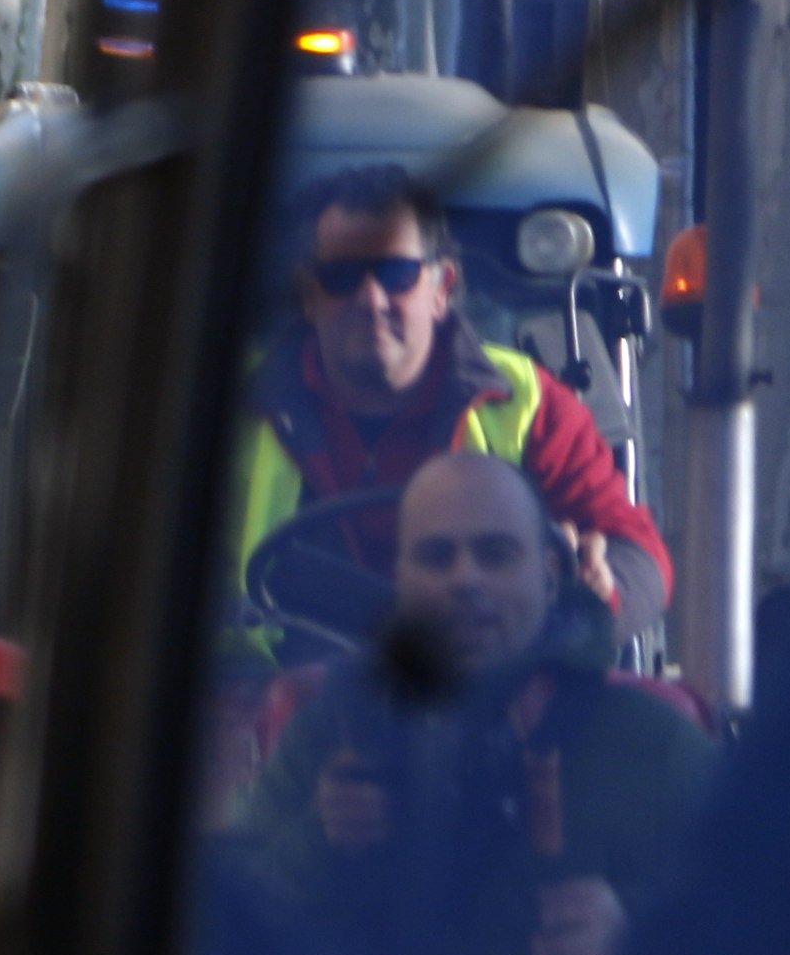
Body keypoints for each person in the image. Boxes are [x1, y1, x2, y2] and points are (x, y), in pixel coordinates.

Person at [234, 452, 716, 955]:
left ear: (548, 573)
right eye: (436, 557)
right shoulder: (329, 735)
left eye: (495, 554)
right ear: (399, 578)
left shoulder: (654, 744)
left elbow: (773, 926)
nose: (466, 579)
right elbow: (226, 953)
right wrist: (319, 837)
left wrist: (636, 939)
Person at [235, 166, 668, 642]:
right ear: (309, 295)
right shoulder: (228, 407)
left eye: (397, 274)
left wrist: (596, 601)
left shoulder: (529, 404)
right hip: (273, 700)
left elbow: (637, 553)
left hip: (484, 701)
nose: (371, 299)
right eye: (340, 277)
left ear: (441, 289)